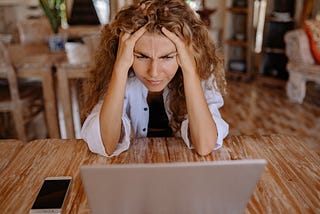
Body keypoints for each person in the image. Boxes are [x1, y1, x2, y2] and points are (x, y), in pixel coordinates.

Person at [81, 0, 229, 157]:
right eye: (142, 56)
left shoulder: (200, 72)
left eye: (166, 57)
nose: (154, 72)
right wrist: (120, 68)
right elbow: (105, 145)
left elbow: (205, 145)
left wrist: (190, 71)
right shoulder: (118, 71)